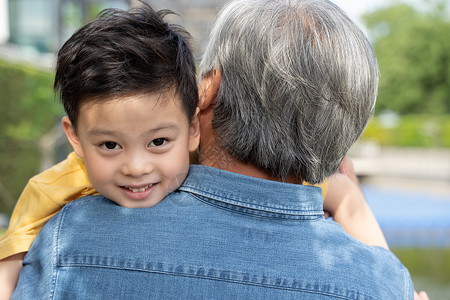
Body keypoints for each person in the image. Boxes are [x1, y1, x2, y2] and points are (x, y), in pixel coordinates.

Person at [10, 0, 429, 298]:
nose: (136, 167)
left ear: (206, 92)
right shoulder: (383, 284)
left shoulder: (71, 238)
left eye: (157, 141)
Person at [0, 2, 200, 299]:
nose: (136, 167)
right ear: (75, 137)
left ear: (193, 129)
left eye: (158, 142)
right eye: (110, 145)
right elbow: (8, 273)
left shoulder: (218, 160)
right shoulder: (51, 189)